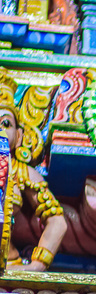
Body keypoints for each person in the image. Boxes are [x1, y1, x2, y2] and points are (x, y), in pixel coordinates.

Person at [0, 69, 67, 271]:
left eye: (5, 123)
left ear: (19, 136)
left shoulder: (21, 171)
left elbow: (57, 220)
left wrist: (38, 265)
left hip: (10, 266)